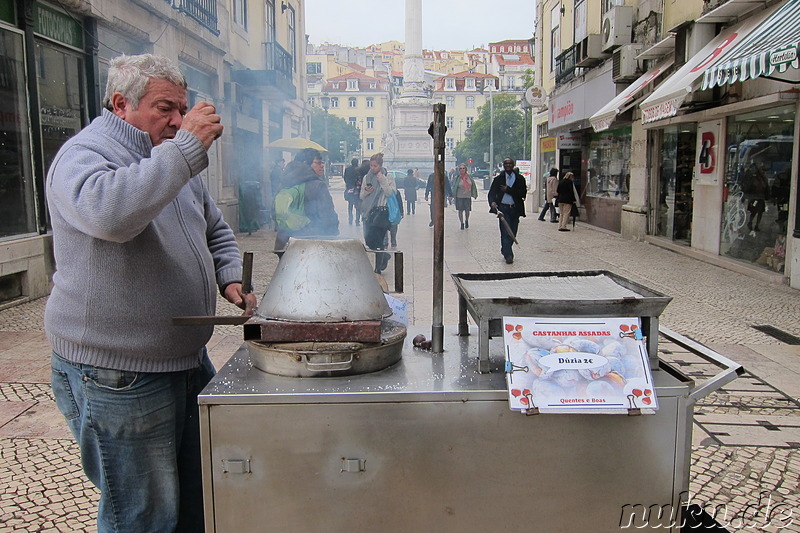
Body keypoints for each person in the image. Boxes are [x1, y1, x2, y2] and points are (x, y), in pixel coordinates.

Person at [44, 54, 257, 533]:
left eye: (182, 110)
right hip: (119, 372)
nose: (178, 122)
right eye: (166, 108)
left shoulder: (170, 158)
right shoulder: (85, 156)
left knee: (196, 499)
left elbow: (214, 228)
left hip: (183, 359)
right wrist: (184, 151)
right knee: (142, 515)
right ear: (121, 104)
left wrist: (228, 277)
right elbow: (111, 216)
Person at [274, 148, 339, 250]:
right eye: (317, 163)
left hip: (288, 242)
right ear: (305, 164)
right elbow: (328, 217)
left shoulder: (285, 182)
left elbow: (276, 213)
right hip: (314, 243)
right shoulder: (317, 185)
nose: (322, 165)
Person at [360, 153, 396, 272]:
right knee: (369, 239)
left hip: (381, 213)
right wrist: (367, 191)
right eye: (371, 166)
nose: (372, 168)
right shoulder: (367, 177)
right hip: (369, 212)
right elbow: (361, 196)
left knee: (379, 241)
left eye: (375, 166)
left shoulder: (388, 176)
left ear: (380, 165)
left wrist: (382, 180)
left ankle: (378, 268)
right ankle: (384, 256)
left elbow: (390, 193)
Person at [488, 158, 527, 264]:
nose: (508, 165)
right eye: (506, 164)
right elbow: (491, 193)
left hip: (515, 209)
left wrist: (509, 190)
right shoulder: (498, 179)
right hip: (503, 209)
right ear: (503, 166)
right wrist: (492, 203)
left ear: (513, 165)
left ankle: (505, 249)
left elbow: (522, 193)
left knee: (513, 232)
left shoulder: (520, 179)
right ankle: (508, 255)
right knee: (505, 232)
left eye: (510, 163)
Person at [452, 163, 478, 229]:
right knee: (460, 210)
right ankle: (462, 223)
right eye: (460, 168)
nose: (462, 170)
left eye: (463, 168)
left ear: (465, 169)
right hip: (459, 196)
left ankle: (466, 220)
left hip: (467, 196)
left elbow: (473, 186)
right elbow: (454, 187)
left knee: (467, 210)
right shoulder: (457, 178)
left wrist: (474, 194)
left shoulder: (469, 177)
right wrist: (452, 195)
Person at [343, 158, 361, 225]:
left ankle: (350, 220)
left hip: (349, 188)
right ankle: (357, 221)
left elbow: (345, 178)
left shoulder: (347, 169)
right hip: (357, 189)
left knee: (350, 205)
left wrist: (348, 185)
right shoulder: (358, 170)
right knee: (357, 206)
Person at [269, 157, 285, 229]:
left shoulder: (276, 170)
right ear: (279, 163)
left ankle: (277, 225)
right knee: (278, 209)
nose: (284, 164)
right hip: (278, 191)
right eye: (282, 162)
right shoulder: (278, 170)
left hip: (276, 191)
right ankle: (277, 225)